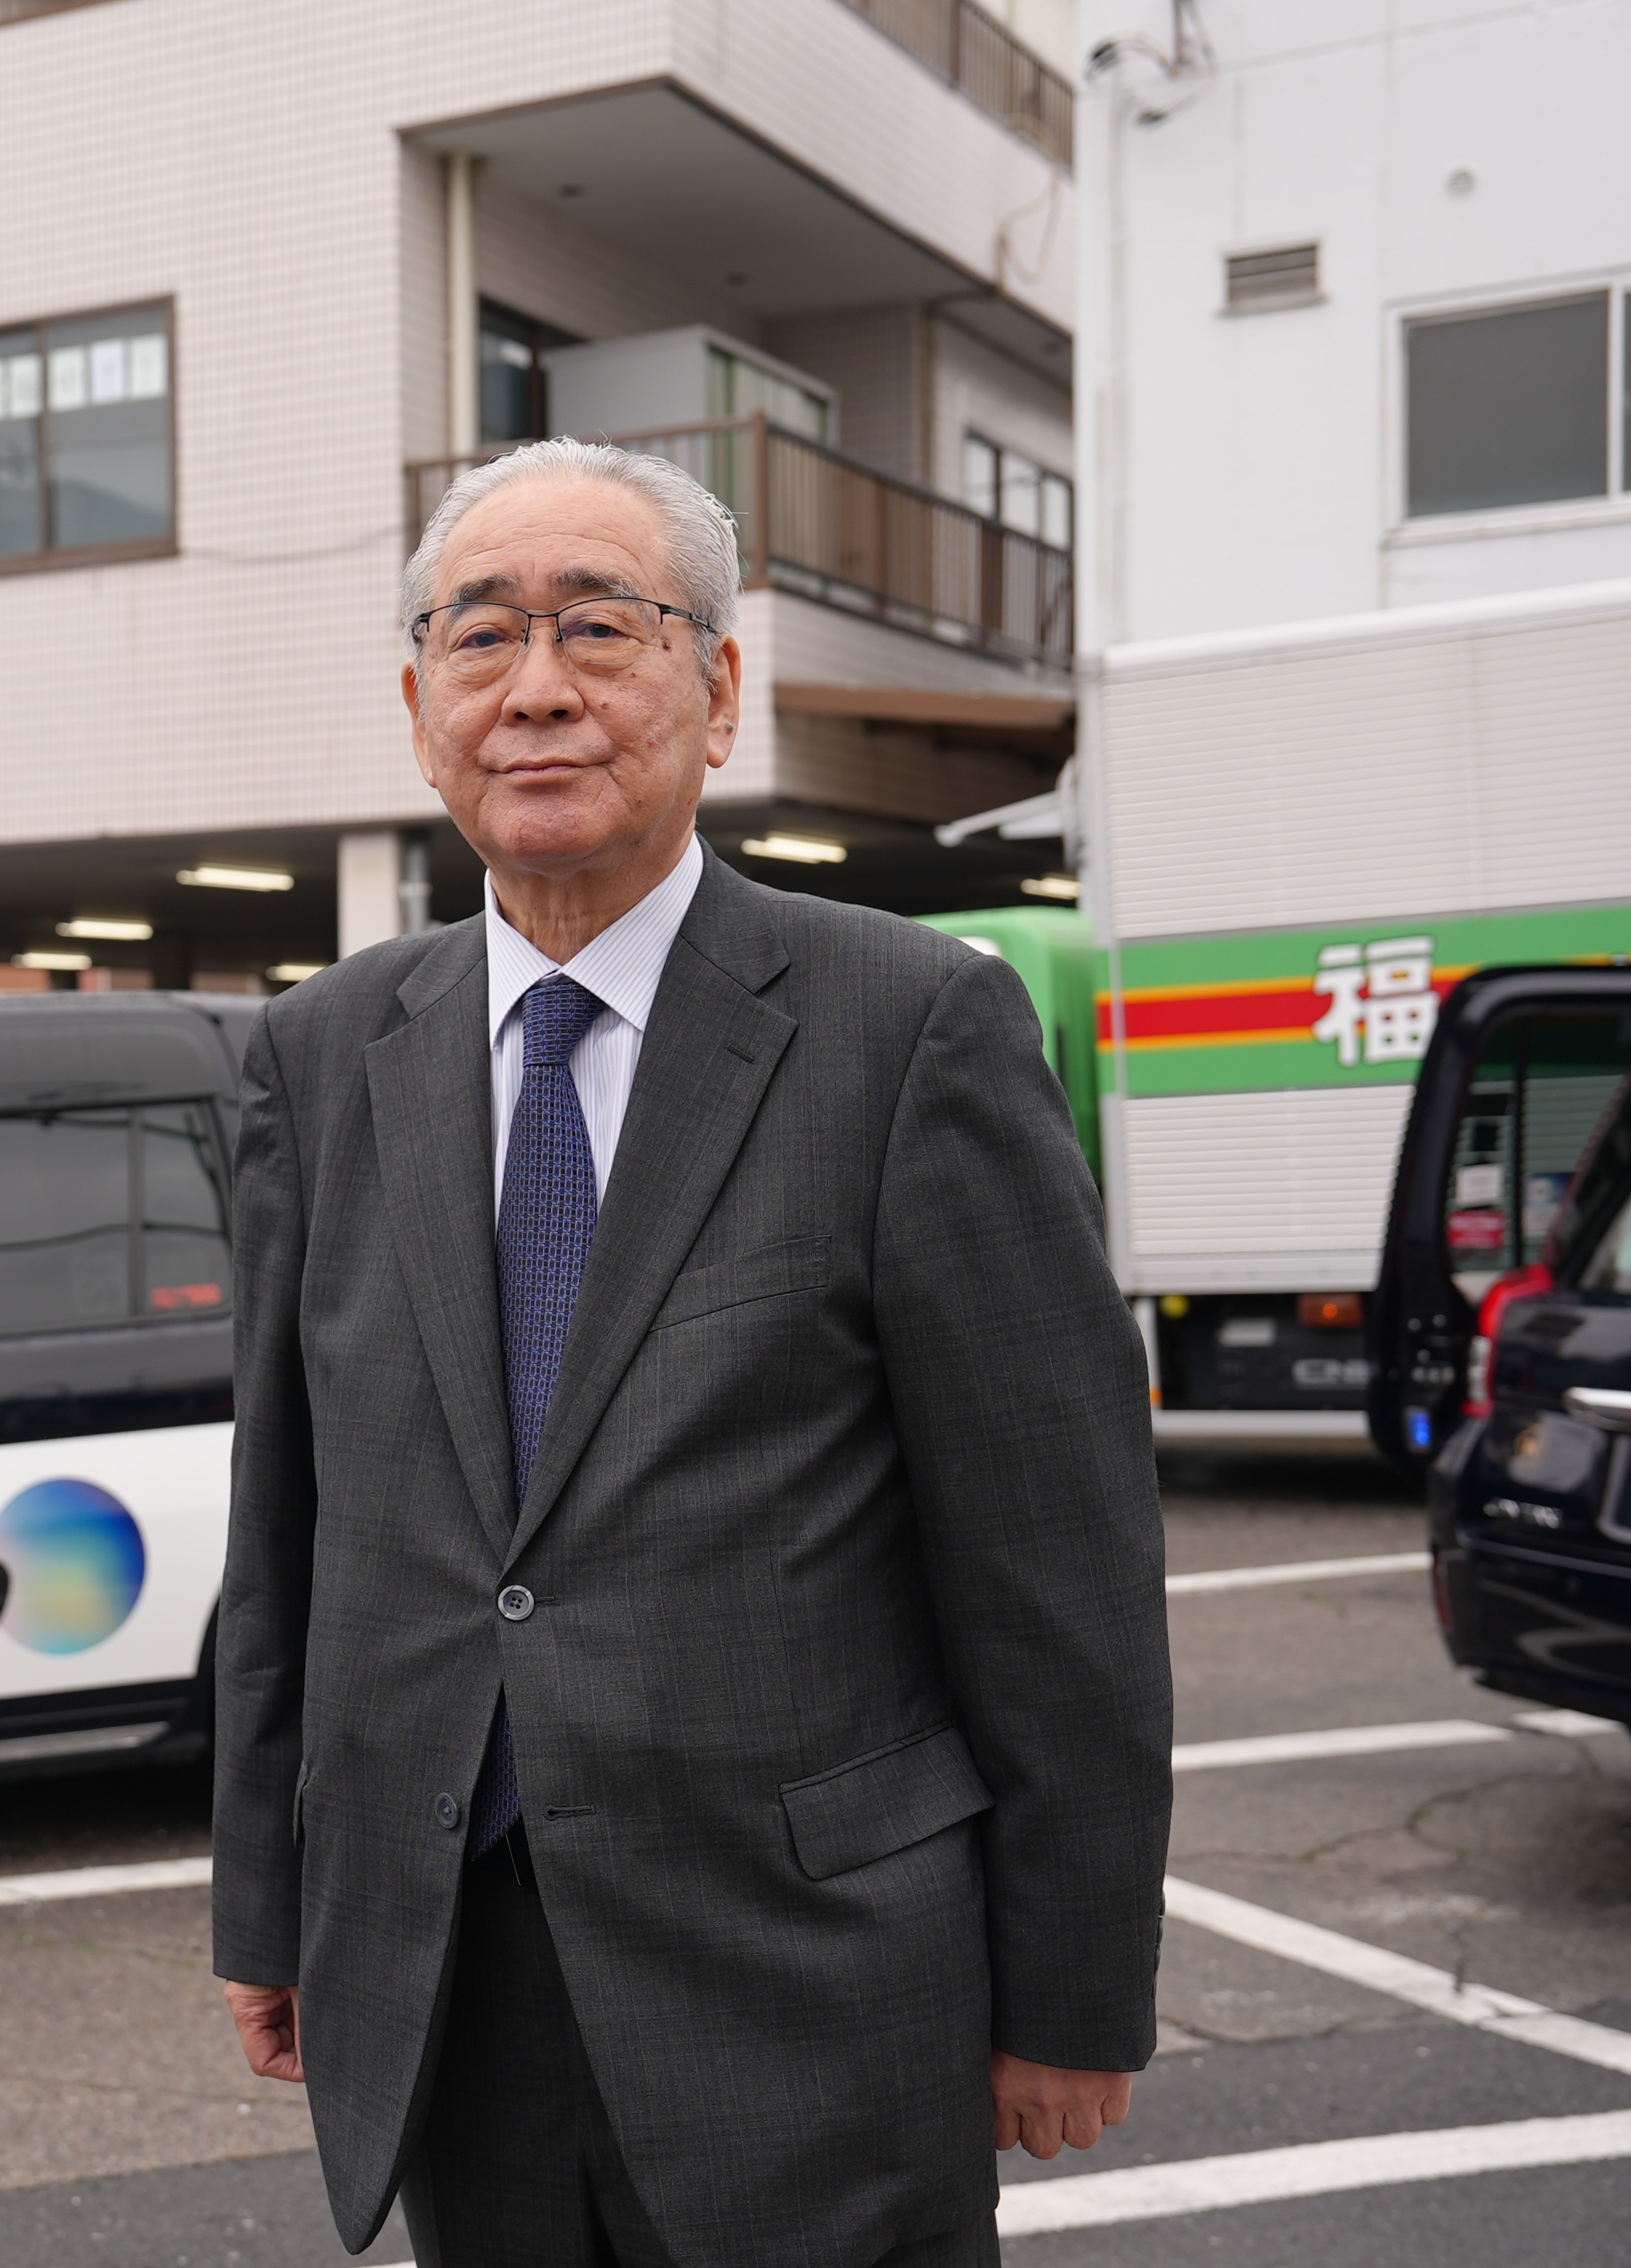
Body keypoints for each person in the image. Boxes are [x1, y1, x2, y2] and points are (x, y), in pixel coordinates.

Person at [209, 438, 1171, 2268]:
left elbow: (1059, 1563)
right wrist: (271, 1900)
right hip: (445, 1969)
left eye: (603, 626)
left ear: (718, 690)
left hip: (808, 1987)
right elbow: (289, 1539)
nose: (539, 687)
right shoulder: (323, 1056)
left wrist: (1069, 1983)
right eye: (479, 637)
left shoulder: (908, 1030)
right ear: (419, 709)